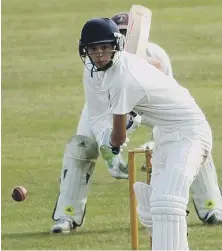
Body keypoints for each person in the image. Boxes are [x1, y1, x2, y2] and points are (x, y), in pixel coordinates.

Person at [78, 17, 213, 250]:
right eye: (93, 49)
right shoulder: (94, 74)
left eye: (104, 48)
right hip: (166, 134)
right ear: (85, 50)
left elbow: (119, 137)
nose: (99, 54)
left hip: (191, 133)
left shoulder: (123, 78)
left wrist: (115, 140)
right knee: (155, 208)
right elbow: (99, 116)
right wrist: (106, 139)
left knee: (167, 202)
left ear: (115, 46)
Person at [111, 11, 222, 225]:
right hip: (140, 115)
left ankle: (212, 206)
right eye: (120, 34)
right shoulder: (109, 66)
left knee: (190, 144)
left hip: (169, 118)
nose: (125, 40)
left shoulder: (155, 55)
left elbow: (166, 93)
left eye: (127, 33)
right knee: (165, 200)